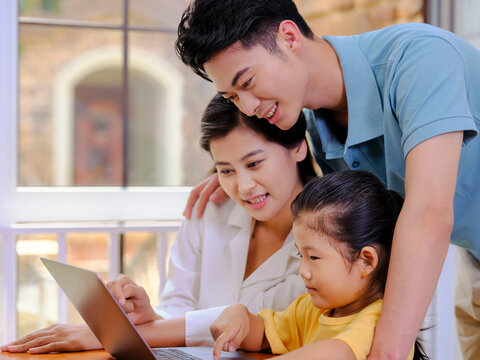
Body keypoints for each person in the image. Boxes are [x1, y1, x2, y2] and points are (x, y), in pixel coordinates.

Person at [174, 1, 480, 359]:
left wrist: (390, 347)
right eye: (233, 97)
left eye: (249, 83)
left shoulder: (419, 60)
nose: (248, 107)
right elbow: (356, 222)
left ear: (288, 37)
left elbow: (429, 213)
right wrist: (233, 174)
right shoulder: (319, 131)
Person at [1, 94, 316, 353]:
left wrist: (112, 335)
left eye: (254, 163)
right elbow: (179, 304)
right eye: (226, 170)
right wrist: (149, 316)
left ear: (298, 146)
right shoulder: (210, 211)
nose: (244, 186)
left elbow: (251, 322)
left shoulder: (330, 238)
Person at [210, 171, 427, 360]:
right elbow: (264, 335)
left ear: (366, 261)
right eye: (300, 254)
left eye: (313, 257)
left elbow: (339, 353)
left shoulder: (382, 320)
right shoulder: (312, 308)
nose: (303, 272)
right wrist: (240, 317)